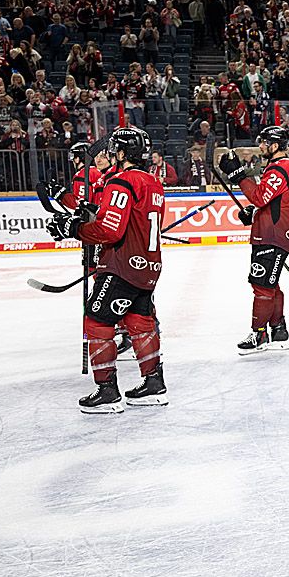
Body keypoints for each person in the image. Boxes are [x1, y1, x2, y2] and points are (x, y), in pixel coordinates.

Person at [45, 127, 169, 413]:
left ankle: (107, 391)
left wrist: (73, 229)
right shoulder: (152, 182)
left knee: (96, 321)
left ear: (123, 153)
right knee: (139, 321)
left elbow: (109, 230)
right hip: (148, 266)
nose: (111, 154)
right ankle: (153, 383)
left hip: (121, 266)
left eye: (115, 150)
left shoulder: (121, 182)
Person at [217, 126, 289, 354]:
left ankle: (259, 334)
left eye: (264, 142)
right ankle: (278, 330)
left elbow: (260, 196)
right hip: (274, 232)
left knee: (262, 285)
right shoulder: (278, 167)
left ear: (274, 145)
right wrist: (254, 212)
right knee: (270, 284)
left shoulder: (280, 168)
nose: (261, 146)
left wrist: (239, 176)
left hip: (273, 235)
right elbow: (270, 201)